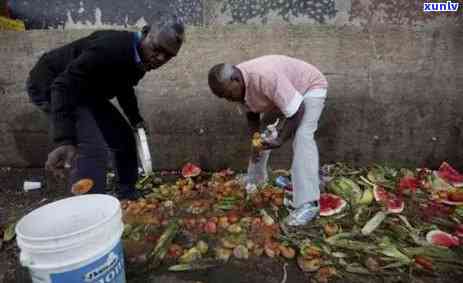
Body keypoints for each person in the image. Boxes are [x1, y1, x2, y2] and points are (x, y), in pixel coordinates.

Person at [26, 16, 185, 200]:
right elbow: (63, 86)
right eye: (157, 49)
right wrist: (65, 139)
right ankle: (89, 210)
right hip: (52, 83)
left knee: (124, 137)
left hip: (88, 91)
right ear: (145, 33)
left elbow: (124, 87)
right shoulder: (110, 48)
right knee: (92, 149)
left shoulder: (140, 60)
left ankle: (127, 193)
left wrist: (135, 119)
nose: (160, 58)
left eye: (168, 56)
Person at [208, 55, 328, 226]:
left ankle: (309, 204)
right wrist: (257, 140)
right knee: (263, 136)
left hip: (309, 87)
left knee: (302, 136)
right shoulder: (238, 85)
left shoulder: (264, 77)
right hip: (286, 93)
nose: (228, 99)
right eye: (224, 97)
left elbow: (297, 110)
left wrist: (280, 139)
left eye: (228, 94)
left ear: (236, 79)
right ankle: (255, 179)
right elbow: (252, 114)